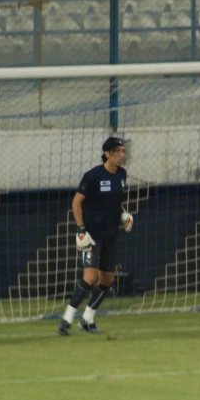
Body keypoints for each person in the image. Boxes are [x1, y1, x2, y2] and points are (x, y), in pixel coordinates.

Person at [58, 136, 133, 336]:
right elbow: (76, 202)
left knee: (107, 280)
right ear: (107, 154)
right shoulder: (92, 176)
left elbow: (115, 204)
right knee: (90, 277)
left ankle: (87, 319)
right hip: (91, 236)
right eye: (117, 151)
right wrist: (81, 228)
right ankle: (66, 319)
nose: (121, 155)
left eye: (123, 151)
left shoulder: (123, 175)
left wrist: (124, 214)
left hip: (111, 235)